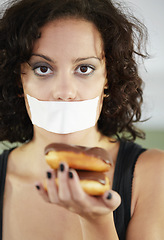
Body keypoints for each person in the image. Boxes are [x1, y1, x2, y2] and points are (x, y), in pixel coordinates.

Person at [0, 0, 164, 239]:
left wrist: (97, 221)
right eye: (43, 69)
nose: (65, 92)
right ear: (19, 79)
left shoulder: (152, 173)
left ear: (107, 76)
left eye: (84, 68)